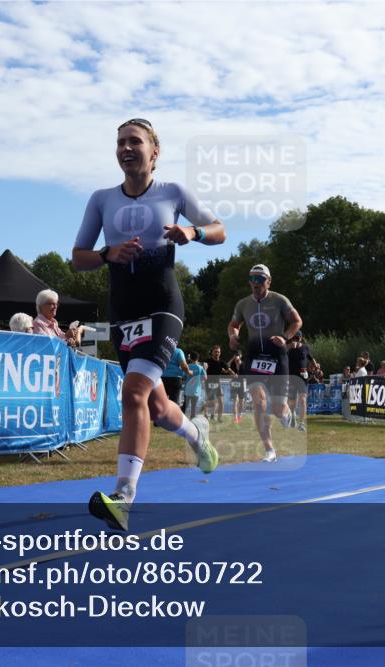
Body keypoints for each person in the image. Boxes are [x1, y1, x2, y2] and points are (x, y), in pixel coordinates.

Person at [71, 117, 225, 531]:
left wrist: (192, 232)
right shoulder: (102, 199)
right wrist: (107, 254)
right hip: (124, 311)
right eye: (120, 142)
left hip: (162, 305)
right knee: (156, 407)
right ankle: (197, 436)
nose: (126, 148)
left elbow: (219, 230)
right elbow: (78, 257)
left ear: (154, 152)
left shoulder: (172, 191)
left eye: (134, 141)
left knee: (133, 392)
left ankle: (123, 495)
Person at [227, 264, 302, 462]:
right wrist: (233, 335)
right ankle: (270, 449)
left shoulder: (279, 300)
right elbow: (233, 324)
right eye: (252, 279)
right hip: (254, 357)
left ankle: (287, 414)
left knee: (277, 408)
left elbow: (297, 321)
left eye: (260, 279)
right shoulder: (243, 304)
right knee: (259, 403)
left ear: (269, 281)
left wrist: (285, 337)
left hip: (277, 356)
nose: (256, 283)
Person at [286, 331, 315, 431]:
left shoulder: (305, 348)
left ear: (301, 338)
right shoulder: (287, 348)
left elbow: (311, 359)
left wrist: (315, 366)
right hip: (291, 378)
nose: (295, 340)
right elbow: (281, 357)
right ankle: (292, 416)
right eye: (294, 338)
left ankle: (302, 423)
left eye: (297, 338)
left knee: (303, 400)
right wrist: (288, 347)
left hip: (303, 377)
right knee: (292, 402)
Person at [203, 345, 236, 423]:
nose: (217, 353)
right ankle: (205, 412)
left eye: (218, 352)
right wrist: (204, 368)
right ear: (212, 352)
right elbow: (203, 370)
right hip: (209, 384)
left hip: (218, 383)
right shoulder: (207, 361)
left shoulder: (222, 362)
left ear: (220, 353)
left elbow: (229, 369)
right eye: (215, 352)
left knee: (221, 401)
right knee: (212, 403)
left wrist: (234, 374)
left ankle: (219, 418)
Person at [183, 352, 206, 419]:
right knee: (193, 406)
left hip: (187, 389)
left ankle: (182, 419)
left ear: (190, 358)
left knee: (185, 405)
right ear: (198, 358)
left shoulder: (187, 366)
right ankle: (192, 419)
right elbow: (205, 377)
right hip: (196, 390)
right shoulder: (201, 368)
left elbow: (183, 376)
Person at [228, 351, 246, 424]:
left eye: (238, 355)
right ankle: (235, 418)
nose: (236, 356)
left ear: (241, 356)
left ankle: (239, 416)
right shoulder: (232, 363)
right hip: (234, 383)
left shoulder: (243, 364)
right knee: (235, 400)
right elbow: (226, 365)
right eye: (235, 355)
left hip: (241, 383)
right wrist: (233, 358)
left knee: (241, 402)